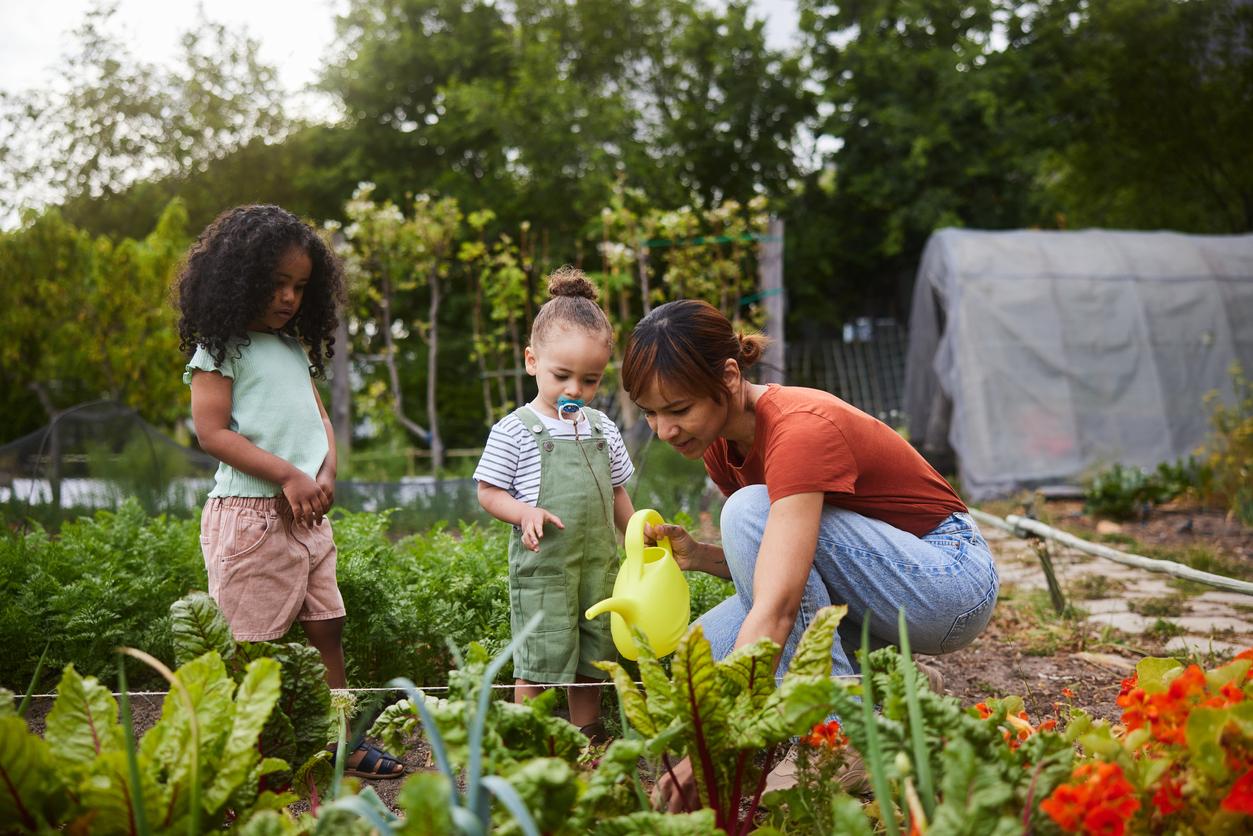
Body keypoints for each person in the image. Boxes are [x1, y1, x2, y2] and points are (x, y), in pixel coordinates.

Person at [620, 299, 998, 808]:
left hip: (949, 582)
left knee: (750, 512)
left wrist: (709, 745)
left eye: (679, 409)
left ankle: (838, 739)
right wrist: (702, 556)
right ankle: (898, 694)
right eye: (651, 413)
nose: (664, 431)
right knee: (701, 654)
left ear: (729, 375)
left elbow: (777, 606)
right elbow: (777, 563)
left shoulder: (799, 429)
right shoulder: (719, 447)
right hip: (884, 585)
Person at [177, 204, 403, 779]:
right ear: (239, 280)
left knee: (327, 626)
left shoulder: (293, 348)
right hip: (250, 517)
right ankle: (249, 753)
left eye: (300, 287)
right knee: (256, 643)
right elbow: (212, 432)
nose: (288, 298)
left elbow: (318, 418)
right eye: (276, 283)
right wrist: (286, 474)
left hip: (307, 516)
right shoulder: (220, 350)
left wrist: (323, 474)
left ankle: (340, 739)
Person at [474, 267, 636, 743]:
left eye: (589, 380)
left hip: (597, 567)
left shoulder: (604, 427)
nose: (574, 391)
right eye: (561, 375)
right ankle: (531, 735)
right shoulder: (515, 430)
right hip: (545, 566)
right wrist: (523, 512)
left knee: (593, 652)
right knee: (541, 653)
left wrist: (637, 539)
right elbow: (488, 491)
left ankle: (587, 732)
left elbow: (618, 492)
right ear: (531, 361)